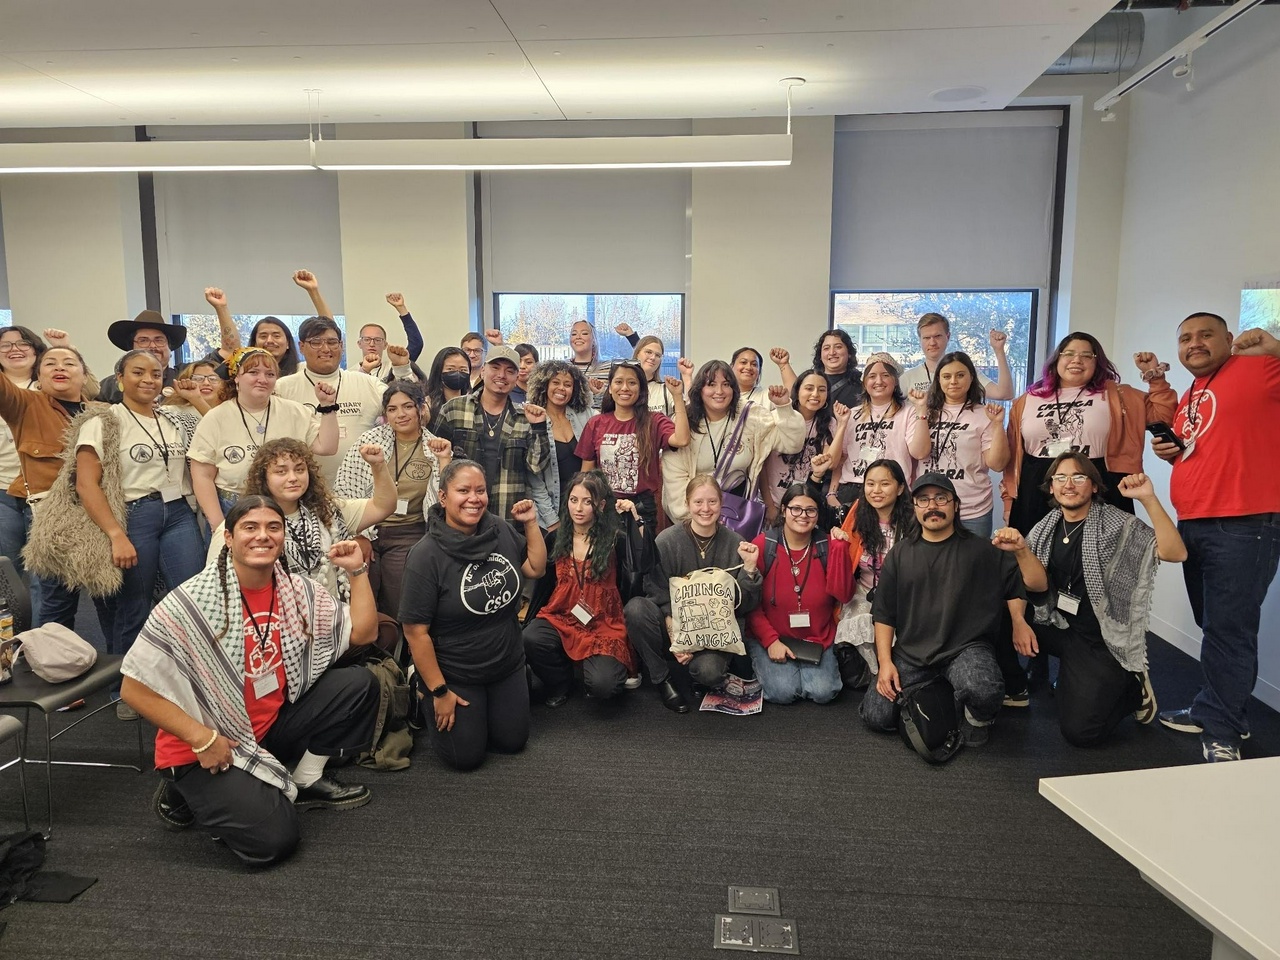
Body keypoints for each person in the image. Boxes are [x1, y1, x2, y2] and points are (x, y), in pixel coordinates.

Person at [121, 495, 380, 867]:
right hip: (206, 742)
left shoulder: (296, 590)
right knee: (275, 840)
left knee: (358, 684)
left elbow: (364, 635)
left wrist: (357, 572)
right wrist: (202, 739)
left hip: (262, 727)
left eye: (273, 527)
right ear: (228, 538)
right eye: (250, 527)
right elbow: (133, 689)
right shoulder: (191, 602)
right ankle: (184, 787)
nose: (263, 536)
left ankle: (302, 779)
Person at [1151, 316, 1280, 762]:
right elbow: (1209, 451)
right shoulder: (1193, 394)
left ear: (1230, 339)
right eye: (1185, 337)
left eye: (1205, 335)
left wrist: (1277, 347)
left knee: (1229, 629)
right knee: (1218, 626)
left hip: (1245, 521)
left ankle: (1222, 729)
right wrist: (1173, 453)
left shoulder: (1259, 368)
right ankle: (1223, 709)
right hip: (1196, 521)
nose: (1194, 343)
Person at [859, 473, 1046, 746]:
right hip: (913, 652)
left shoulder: (982, 550)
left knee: (983, 690)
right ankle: (942, 693)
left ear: (956, 505)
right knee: (876, 716)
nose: (932, 506)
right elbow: (884, 614)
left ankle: (975, 716)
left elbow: (1035, 585)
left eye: (941, 498)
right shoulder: (900, 554)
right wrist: (885, 663)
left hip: (966, 649)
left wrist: (1021, 553)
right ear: (914, 506)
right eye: (924, 500)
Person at [70, 350, 204, 711]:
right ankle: (126, 690)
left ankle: (189, 681)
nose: (149, 379)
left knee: (191, 599)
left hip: (178, 513)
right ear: (120, 377)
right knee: (134, 605)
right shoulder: (104, 421)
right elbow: (86, 485)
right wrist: (116, 534)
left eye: (156, 373)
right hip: (134, 515)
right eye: (138, 372)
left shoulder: (171, 420)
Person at [1024, 454, 1185, 747]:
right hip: (1059, 625)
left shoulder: (1116, 525)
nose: (1068, 485)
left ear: (1094, 486)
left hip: (1100, 640)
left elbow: (1176, 553)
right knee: (996, 614)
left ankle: (1132, 687)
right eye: (1060, 478)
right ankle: (1016, 687)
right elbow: (1029, 582)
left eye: (1078, 477)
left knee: (1081, 733)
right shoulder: (1045, 527)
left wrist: (1149, 499)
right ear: (1051, 488)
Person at [398, 460, 546, 771]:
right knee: (465, 759)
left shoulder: (499, 529)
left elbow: (536, 568)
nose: (473, 498)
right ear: (443, 497)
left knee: (512, 742)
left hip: (506, 663)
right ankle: (421, 687)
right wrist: (439, 691)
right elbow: (415, 632)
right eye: (463, 491)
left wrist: (531, 523)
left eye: (480, 490)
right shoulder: (425, 556)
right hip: (455, 672)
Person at [1003, 332, 1174, 533]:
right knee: (1033, 556)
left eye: (1086, 355)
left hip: (1099, 482)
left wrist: (1155, 377)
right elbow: (1013, 458)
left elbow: (1164, 415)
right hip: (1037, 486)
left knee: (1100, 557)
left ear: (1097, 363)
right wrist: (1008, 501)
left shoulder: (1118, 395)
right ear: (1057, 359)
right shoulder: (1027, 400)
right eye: (1069, 353)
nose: (1077, 360)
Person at [624, 475, 763, 706]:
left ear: (721, 504)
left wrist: (749, 569)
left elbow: (745, 605)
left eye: (712, 502)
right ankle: (662, 678)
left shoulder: (735, 542)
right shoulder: (667, 540)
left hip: (714, 634)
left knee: (710, 673)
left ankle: (700, 675)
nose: (705, 509)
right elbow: (655, 591)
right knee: (636, 609)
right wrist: (678, 636)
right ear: (687, 504)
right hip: (672, 627)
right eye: (698, 502)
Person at [226, 438, 397, 604]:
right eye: (281, 471)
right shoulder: (243, 523)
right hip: (277, 618)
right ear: (263, 478)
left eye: (300, 469)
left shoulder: (328, 510)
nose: (293, 478)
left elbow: (383, 506)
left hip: (329, 615)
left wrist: (378, 466)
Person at [523, 470, 643, 706]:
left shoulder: (613, 539)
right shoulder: (555, 538)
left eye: (587, 502)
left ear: (600, 505)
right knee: (530, 638)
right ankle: (561, 682)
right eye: (574, 500)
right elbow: (537, 577)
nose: (578, 508)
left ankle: (595, 671)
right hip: (563, 615)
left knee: (604, 686)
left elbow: (642, 560)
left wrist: (635, 518)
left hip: (603, 622)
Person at [0, 345, 98, 627]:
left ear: (83, 375)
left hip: (99, 512)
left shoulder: (100, 412)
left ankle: (112, 662)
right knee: (56, 596)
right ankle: (49, 662)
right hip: (53, 517)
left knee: (108, 594)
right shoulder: (25, 405)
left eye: (69, 363)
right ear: (39, 377)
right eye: (50, 364)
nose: (59, 368)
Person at [336, 380, 452, 618]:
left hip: (409, 532)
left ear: (421, 408)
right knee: (358, 589)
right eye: (392, 409)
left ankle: (400, 648)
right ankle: (363, 651)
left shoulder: (435, 448)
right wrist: (360, 535)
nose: (400, 414)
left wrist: (444, 461)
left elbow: (444, 499)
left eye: (407, 406)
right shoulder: (368, 443)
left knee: (400, 595)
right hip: (368, 527)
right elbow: (346, 490)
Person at [188, 347, 338, 530]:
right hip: (232, 506)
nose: (262, 379)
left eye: (270, 374)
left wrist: (328, 406)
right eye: (253, 372)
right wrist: (219, 525)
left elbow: (327, 447)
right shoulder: (215, 417)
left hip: (286, 505)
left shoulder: (294, 411)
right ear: (236, 377)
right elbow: (202, 476)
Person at [746, 484, 854, 704]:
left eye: (810, 510)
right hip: (774, 635)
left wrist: (840, 549)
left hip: (817, 637)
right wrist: (770, 641)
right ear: (784, 510)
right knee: (782, 693)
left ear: (818, 514)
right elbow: (750, 603)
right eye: (796, 509)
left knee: (823, 692)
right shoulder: (763, 545)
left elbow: (843, 595)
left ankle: (801, 671)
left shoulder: (827, 545)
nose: (803, 516)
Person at [661, 359, 803, 523]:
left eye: (726, 384)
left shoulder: (752, 416)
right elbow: (675, 483)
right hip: (694, 517)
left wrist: (784, 407)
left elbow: (792, 444)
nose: (719, 391)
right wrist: (700, 522)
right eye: (711, 384)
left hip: (737, 516)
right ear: (700, 389)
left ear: (734, 389)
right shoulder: (683, 424)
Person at [433, 345, 551, 521]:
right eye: (495, 368)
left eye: (510, 371)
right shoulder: (453, 409)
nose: (502, 375)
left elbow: (536, 467)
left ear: (517, 377)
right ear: (482, 371)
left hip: (507, 518)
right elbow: (436, 464)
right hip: (461, 516)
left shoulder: (525, 418)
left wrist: (539, 428)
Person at [273, 314, 388, 482]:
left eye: (332, 342)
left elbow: (403, 409)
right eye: (316, 342)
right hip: (303, 488)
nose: (325, 349)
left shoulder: (369, 384)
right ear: (302, 347)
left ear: (341, 346)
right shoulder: (282, 389)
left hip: (360, 487)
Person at [833, 458, 917, 686]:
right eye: (870, 484)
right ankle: (873, 673)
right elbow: (845, 561)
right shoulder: (858, 514)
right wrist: (838, 543)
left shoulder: (914, 520)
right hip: (865, 590)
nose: (876, 491)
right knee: (856, 625)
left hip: (903, 597)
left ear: (900, 488)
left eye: (884, 484)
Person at [577, 360, 688, 531]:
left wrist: (677, 397)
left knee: (641, 557)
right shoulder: (596, 423)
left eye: (632, 383)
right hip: (605, 507)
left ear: (641, 389)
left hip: (642, 508)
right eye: (619, 382)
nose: (625, 388)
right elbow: (586, 474)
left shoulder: (654, 421)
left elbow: (681, 440)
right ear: (610, 387)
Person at [907, 351, 1009, 537]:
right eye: (947, 376)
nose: (953, 381)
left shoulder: (983, 414)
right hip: (931, 506)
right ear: (938, 380)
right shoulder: (924, 411)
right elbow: (919, 453)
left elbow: (997, 464)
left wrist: (997, 425)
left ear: (971, 378)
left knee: (973, 565)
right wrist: (921, 410)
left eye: (960, 375)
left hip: (972, 508)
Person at [833, 352, 927, 512]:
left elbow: (919, 453)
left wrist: (922, 410)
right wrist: (831, 493)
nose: (878, 381)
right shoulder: (851, 414)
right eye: (872, 376)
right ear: (864, 383)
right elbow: (838, 459)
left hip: (892, 491)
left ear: (895, 381)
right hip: (852, 490)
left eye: (885, 375)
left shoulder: (909, 412)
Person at [760, 368, 839, 526]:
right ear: (797, 390)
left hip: (806, 505)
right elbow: (761, 465)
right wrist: (769, 505)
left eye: (822, 390)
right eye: (809, 388)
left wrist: (842, 425)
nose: (815, 394)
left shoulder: (829, 423)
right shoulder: (777, 418)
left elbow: (830, 463)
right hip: (774, 501)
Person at [526, 360, 595, 532]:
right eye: (555, 382)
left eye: (568, 384)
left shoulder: (583, 415)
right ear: (544, 385)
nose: (561, 389)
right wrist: (551, 520)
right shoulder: (533, 419)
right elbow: (534, 479)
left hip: (582, 508)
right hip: (548, 511)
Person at [899, 313, 1014, 401]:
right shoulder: (908, 378)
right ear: (920, 340)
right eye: (926, 338)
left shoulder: (966, 373)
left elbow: (1005, 394)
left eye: (937, 336)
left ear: (947, 336)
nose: (932, 342)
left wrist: (999, 351)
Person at [96, 310, 187, 403]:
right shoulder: (109, 386)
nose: (152, 346)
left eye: (159, 340)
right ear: (131, 348)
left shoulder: (184, 376)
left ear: (169, 347)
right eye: (143, 340)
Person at [778, 330, 862, 412]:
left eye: (838, 347)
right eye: (826, 348)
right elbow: (794, 393)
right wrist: (783, 364)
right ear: (820, 355)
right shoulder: (811, 378)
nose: (832, 352)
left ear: (849, 353)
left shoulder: (862, 383)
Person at [359, 291, 426, 381]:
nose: (372, 344)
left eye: (377, 340)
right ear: (359, 343)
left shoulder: (396, 366)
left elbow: (416, 344)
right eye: (367, 339)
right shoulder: (351, 373)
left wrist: (401, 308)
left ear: (385, 345)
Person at [422, 346, 474, 432]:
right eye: (450, 369)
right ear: (439, 371)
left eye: (463, 369)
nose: (457, 373)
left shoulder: (474, 403)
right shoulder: (427, 405)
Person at [633, 335, 677, 415]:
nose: (653, 357)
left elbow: (687, 416)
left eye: (658, 355)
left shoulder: (667, 389)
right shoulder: (623, 388)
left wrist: (687, 377)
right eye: (649, 352)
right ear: (637, 353)